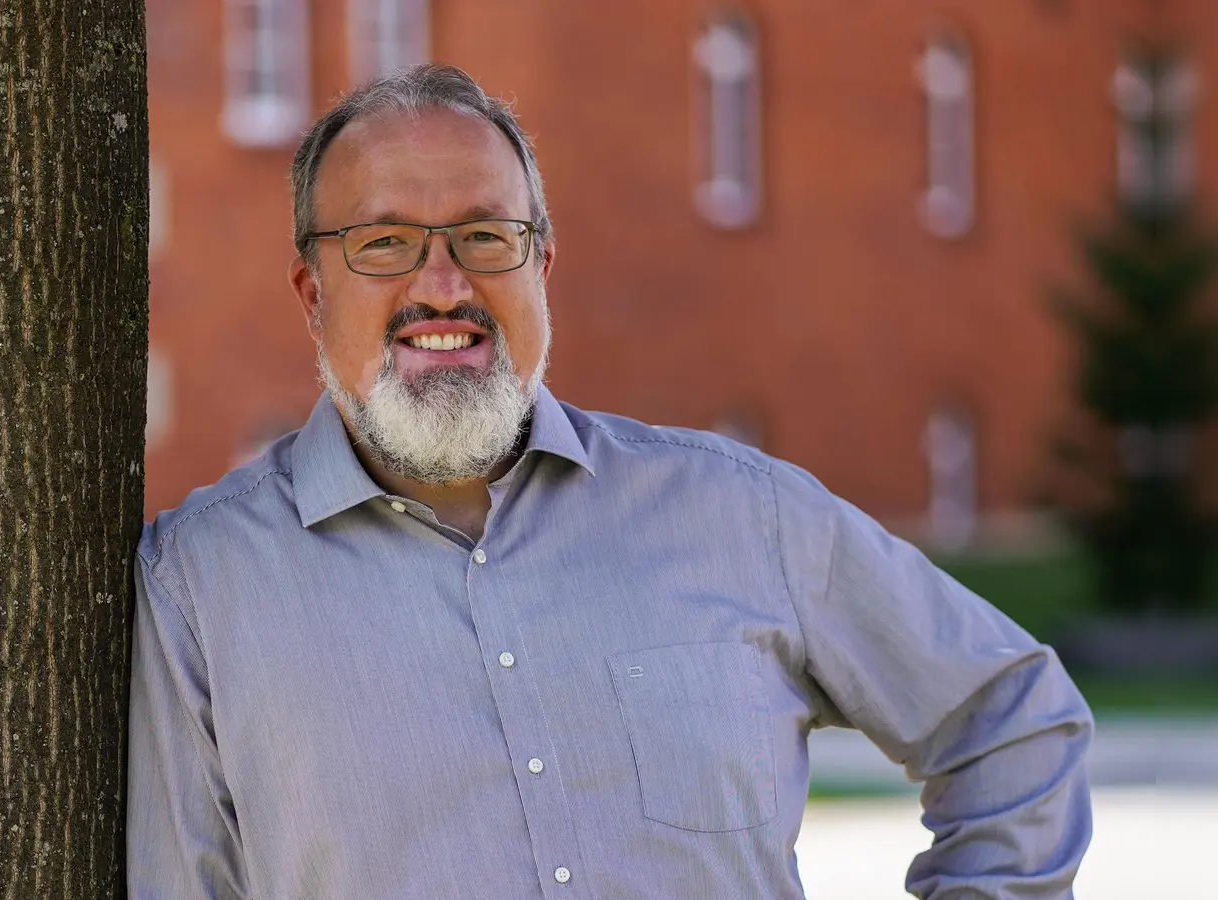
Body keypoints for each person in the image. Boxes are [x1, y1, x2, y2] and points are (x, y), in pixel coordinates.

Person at [127, 64, 1092, 899]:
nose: (442, 286)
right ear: (312, 293)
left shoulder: (735, 513)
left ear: (541, 263)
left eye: (485, 236)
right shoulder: (202, 586)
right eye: (383, 244)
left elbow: (1012, 719)